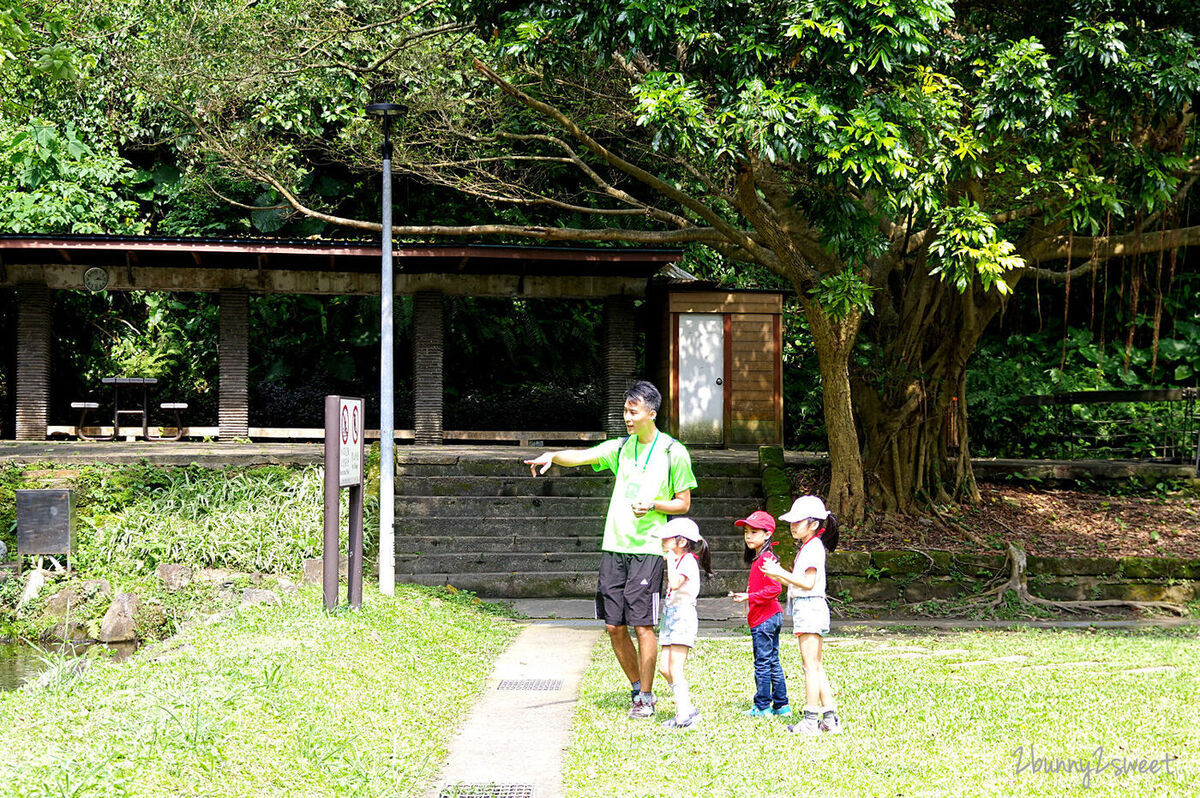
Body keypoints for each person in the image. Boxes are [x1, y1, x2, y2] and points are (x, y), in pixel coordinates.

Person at [524, 380, 697, 719]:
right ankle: (637, 686)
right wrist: (553, 455)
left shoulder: (672, 452)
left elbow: (684, 503)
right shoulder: (621, 448)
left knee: (643, 626)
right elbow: (583, 456)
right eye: (625, 412)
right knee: (614, 626)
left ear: (652, 413)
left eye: (633, 412)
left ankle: (646, 696)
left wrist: (654, 504)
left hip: (649, 550)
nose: (627, 418)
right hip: (613, 547)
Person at [762, 495, 842, 735]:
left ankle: (810, 720)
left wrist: (779, 572)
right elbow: (800, 582)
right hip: (810, 607)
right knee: (816, 666)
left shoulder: (813, 548)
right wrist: (776, 574)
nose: (793, 525)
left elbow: (807, 583)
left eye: (799, 521)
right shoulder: (810, 547)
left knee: (810, 667)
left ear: (814, 524)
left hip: (809, 607)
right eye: (792, 521)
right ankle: (829, 718)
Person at [729, 509, 790, 718]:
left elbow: (775, 589)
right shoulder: (761, 557)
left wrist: (748, 597)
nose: (748, 536)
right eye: (746, 531)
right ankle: (781, 705)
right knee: (772, 660)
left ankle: (762, 706)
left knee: (763, 663)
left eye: (754, 532)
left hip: (765, 618)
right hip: (770, 617)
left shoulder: (765, 559)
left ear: (767, 534)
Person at [655, 517, 712, 730]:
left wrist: (669, 559)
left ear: (681, 542)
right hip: (670, 616)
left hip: (683, 616)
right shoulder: (679, 560)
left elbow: (676, 583)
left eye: (667, 538)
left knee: (675, 668)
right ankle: (687, 708)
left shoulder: (687, 560)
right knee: (664, 668)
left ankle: (683, 716)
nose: (663, 541)